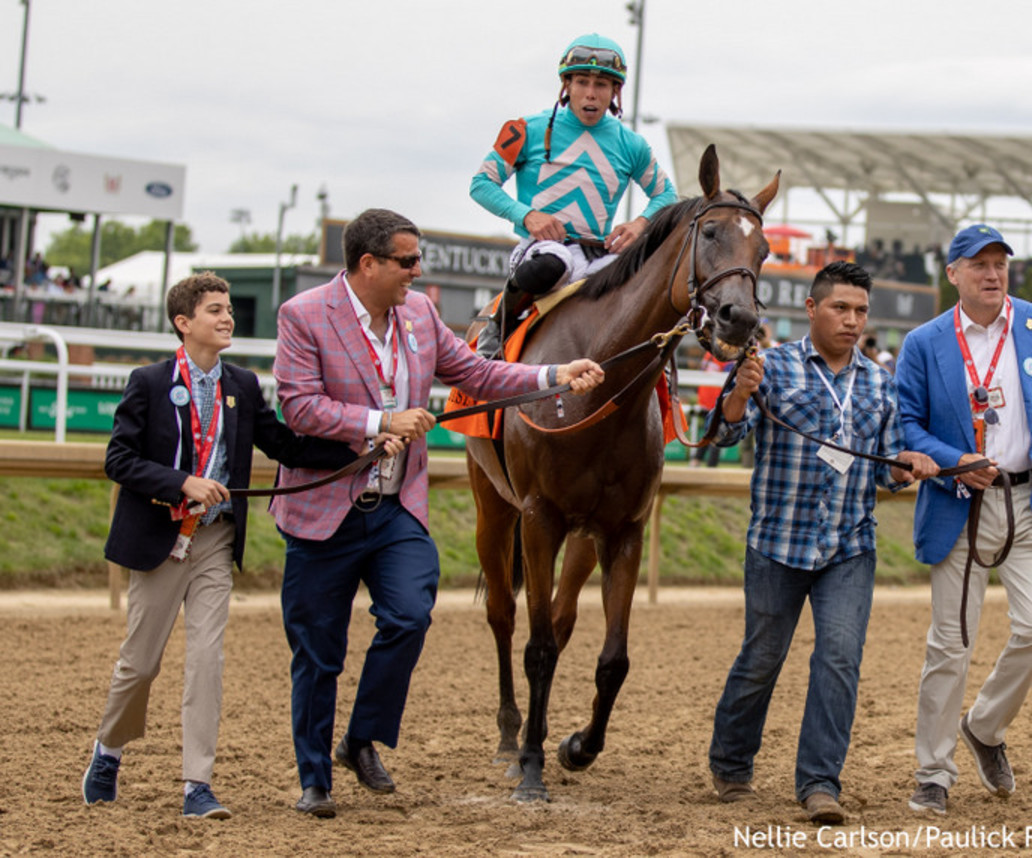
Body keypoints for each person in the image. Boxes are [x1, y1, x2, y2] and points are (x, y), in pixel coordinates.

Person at [270, 208, 604, 818]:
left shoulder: (420, 314)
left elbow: (476, 372)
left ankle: (359, 739)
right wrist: (380, 422)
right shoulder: (303, 314)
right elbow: (298, 407)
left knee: (409, 615)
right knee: (319, 651)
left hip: (396, 507)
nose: (417, 271)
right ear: (367, 264)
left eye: (417, 259)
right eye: (407, 261)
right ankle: (314, 778)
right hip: (324, 508)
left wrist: (555, 373)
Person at [82, 273, 371, 819]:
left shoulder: (242, 384)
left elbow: (284, 444)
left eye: (229, 308)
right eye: (214, 310)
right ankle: (109, 750)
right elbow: (118, 460)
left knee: (206, 662)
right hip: (162, 539)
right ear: (183, 322)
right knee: (140, 665)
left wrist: (359, 451)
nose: (227, 317)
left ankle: (198, 785)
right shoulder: (148, 382)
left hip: (215, 541)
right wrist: (182, 483)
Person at [707, 261, 937, 824]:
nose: (853, 320)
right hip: (776, 543)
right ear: (812, 309)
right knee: (762, 658)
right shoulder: (770, 365)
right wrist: (739, 393)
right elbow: (724, 432)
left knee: (839, 659)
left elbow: (886, 471)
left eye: (861, 311)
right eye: (841, 308)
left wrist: (908, 465)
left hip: (849, 548)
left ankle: (819, 784)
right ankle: (731, 765)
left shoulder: (881, 382)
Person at [894, 223, 1032, 817]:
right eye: (979, 264)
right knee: (951, 645)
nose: (993, 274)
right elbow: (906, 425)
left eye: (1000, 263)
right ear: (953, 274)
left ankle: (984, 726)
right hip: (958, 503)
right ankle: (933, 774)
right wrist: (954, 460)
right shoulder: (923, 342)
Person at [470, 33, 677, 357]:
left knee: (651, 285)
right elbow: (482, 184)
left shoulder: (632, 145)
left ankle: (660, 370)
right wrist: (527, 215)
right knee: (551, 265)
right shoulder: (527, 128)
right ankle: (496, 331)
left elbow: (667, 195)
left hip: (600, 254)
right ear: (567, 86)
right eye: (582, 82)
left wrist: (639, 224)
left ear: (615, 91)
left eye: (601, 85)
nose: (591, 94)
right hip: (542, 250)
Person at [691, 352, 732, 468]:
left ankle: (696, 461)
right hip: (715, 399)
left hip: (704, 398)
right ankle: (709, 465)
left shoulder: (708, 354)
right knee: (715, 434)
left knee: (709, 432)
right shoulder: (725, 356)